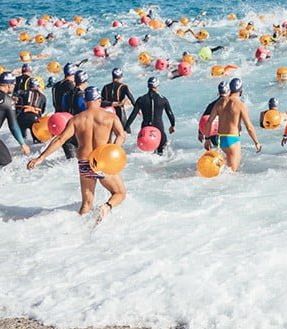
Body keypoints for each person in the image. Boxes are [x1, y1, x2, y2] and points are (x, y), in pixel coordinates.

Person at [28, 86, 126, 221]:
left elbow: (60, 139)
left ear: (85, 102)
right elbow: (121, 135)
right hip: (102, 161)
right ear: (99, 100)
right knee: (119, 193)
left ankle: (81, 232)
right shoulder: (110, 117)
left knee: (86, 203)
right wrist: (113, 150)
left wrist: (40, 158)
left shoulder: (76, 119)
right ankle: (106, 207)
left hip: (85, 163)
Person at [208, 78, 262, 171]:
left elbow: (209, 121)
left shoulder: (220, 102)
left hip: (219, 139)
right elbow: (249, 127)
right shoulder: (240, 105)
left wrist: (207, 138)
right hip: (232, 140)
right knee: (232, 172)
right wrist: (256, 142)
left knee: (221, 169)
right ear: (240, 91)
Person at [124, 77, 176, 154]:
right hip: (158, 127)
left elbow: (133, 115)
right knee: (162, 148)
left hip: (145, 128)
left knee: (145, 150)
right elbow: (170, 114)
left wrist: (126, 128)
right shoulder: (163, 99)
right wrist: (172, 125)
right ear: (157, 86)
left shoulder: (141, 99)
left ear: (148, 86)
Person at [15, 77, 48, 142]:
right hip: (35, 118)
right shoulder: (43, 96)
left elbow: (15, 100)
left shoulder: (22, 92)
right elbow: (42, 111)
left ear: (28, 85)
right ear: (38, 86)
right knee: (37, 141)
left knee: (22, 140)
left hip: (22, 117)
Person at [200, 82, 228, 150]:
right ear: (228, 91)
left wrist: (200, 133)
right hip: (228, 135)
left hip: (213, 135)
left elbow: (204, 120)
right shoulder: (232, 104)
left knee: (217, 150)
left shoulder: (211, 105)